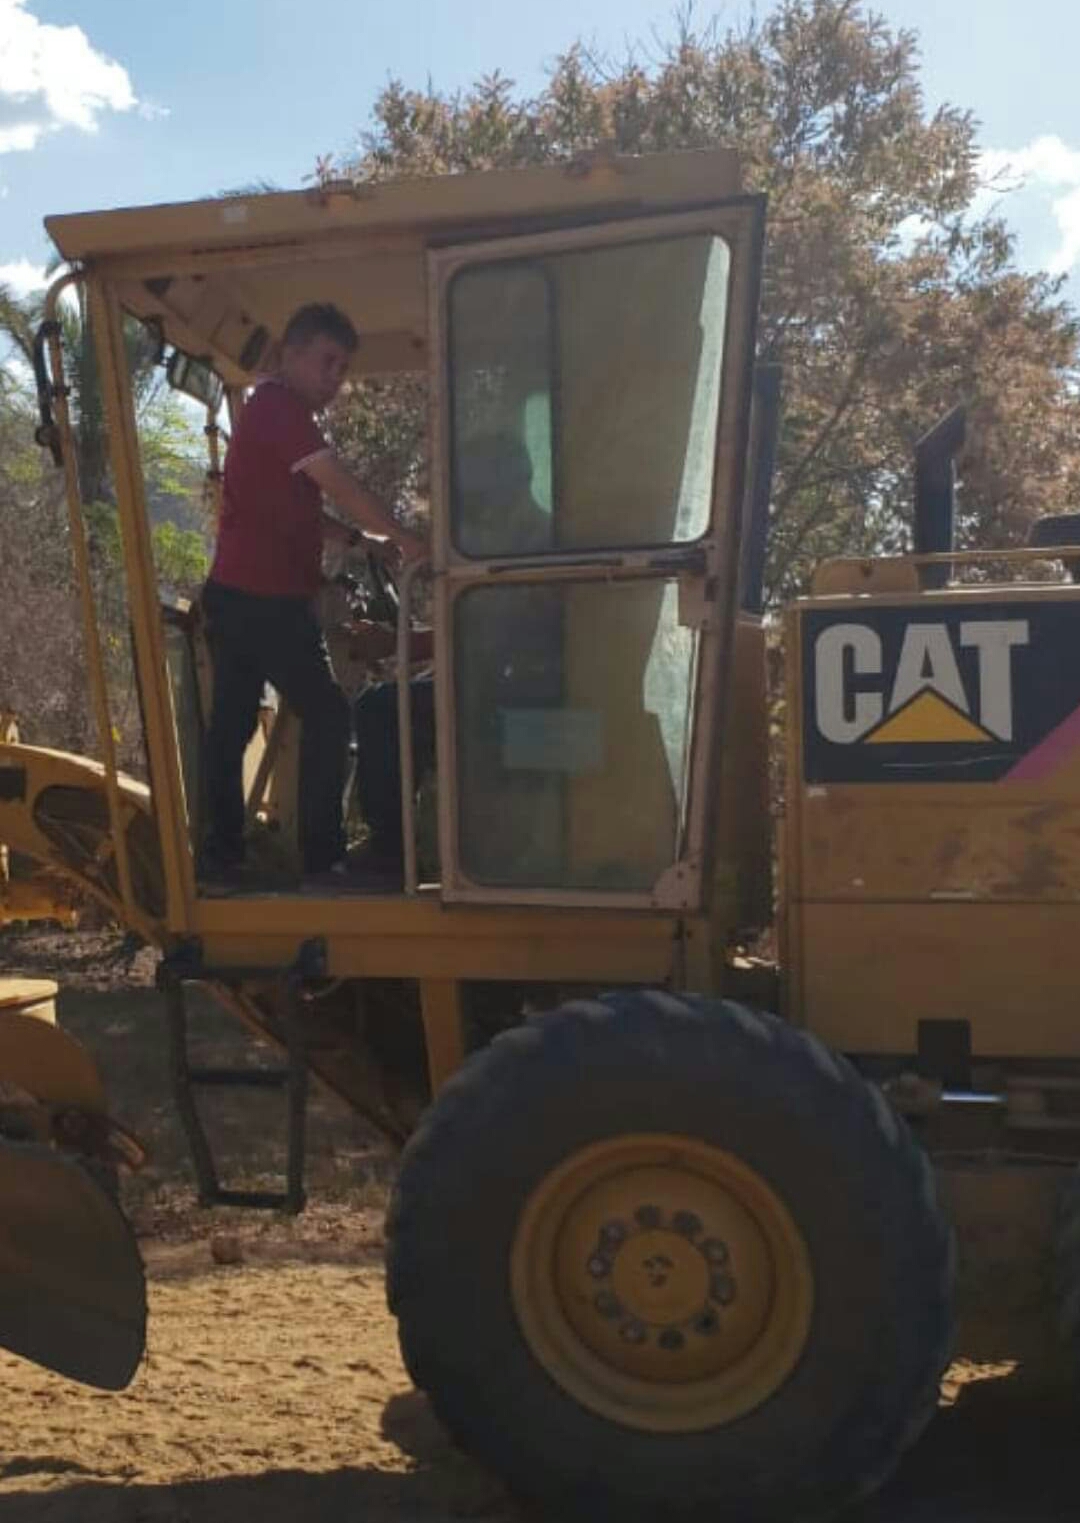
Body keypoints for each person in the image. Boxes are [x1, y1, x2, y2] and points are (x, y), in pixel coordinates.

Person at [201, 302, 425, 886]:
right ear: (290, 354)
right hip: (263, 603)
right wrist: (404, 537)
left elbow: (299, 511)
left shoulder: (273, 413)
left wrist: (359, 540)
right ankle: (322, 862)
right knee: (327, 715)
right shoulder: (278, 407)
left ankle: (222, 858)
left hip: (241, 597)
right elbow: (339, 485)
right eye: (327, 362)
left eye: (342, 369)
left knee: (232, 728)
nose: (334, 379)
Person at [353, 431, 555, 880]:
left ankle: (390, 854)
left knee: (379, 711)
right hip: (510, 682)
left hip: (522, 692)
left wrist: (400, 644)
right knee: (402, 701)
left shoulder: (527, 543)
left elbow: (492, 634)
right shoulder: (515, 534)